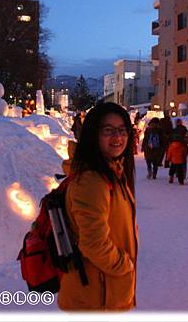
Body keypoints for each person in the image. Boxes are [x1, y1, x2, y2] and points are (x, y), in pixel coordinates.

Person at [58, 102, 138, 311]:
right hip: (96, 296)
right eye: (108, 130)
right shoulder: (93, 180)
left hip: (104, 292)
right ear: (94, 134)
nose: (117, 137)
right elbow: (94, 243)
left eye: (122, 130)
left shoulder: (113, 172)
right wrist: (124, 265)